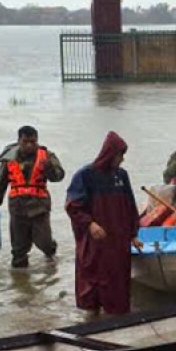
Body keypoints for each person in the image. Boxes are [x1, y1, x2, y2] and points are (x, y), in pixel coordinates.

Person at [65, 131, 143, 315]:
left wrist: (133, 234)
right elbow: (73, 206)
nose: (122, 159)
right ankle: (91, 320)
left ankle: (116, 321)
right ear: (109, 153)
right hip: (95, 242)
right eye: (120, 155)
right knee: (92, 280)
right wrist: (90, 224)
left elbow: (130, 206)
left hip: (118, 242)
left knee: (117, 284)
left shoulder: (121, 176)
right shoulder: (85, 175)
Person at [0, 125, 65, 269]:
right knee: (18, 251)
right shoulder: (9, 157)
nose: (29, 145)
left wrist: (48, 167)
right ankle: (20, 285)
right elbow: (2, 182)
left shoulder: (47, 155)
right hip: (17, 208)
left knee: (44, 243)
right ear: (19, 141)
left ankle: (50, 254)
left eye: (33, 142)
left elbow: (58, 176)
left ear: (37, 141)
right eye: (25, 142)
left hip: (39, 207)